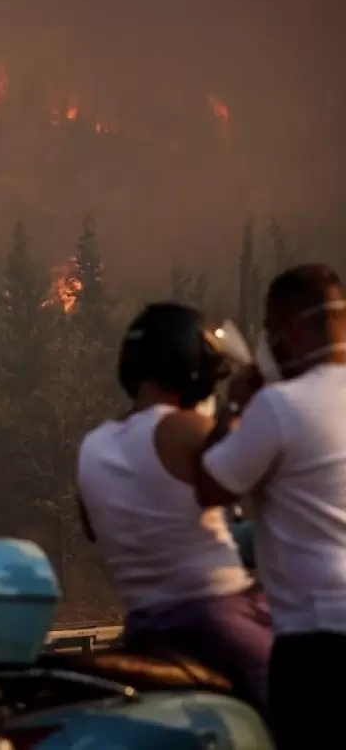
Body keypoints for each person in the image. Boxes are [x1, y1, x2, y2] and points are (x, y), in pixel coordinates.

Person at [75, 302, 272, 715]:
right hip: (217, 616)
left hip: (145, 625)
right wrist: (238, 406)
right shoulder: (184, 429)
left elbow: (95, 526)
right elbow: (241, 477)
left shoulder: (93, 447)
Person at [189, 263, 346, 749]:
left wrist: (235, 406)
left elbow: (212, 485)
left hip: (317, 640)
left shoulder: (280, 407)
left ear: (292, 332)